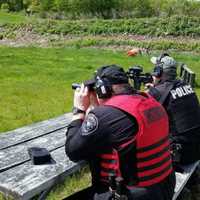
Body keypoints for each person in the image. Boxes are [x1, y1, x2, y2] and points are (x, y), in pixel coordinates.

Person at [65, 64, 175, 200]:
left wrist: (79, 111)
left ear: (103, 89)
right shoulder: (150, 101)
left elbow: (73, 150)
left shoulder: (106, 115)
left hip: (132, 194)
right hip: (164, 189)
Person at [147, 53, 200, 166]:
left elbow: (145, 121)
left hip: (180, 156)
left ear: (158, 71)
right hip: (196, 148)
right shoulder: (186, 85)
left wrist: (150, 92)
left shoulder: (157, 92)